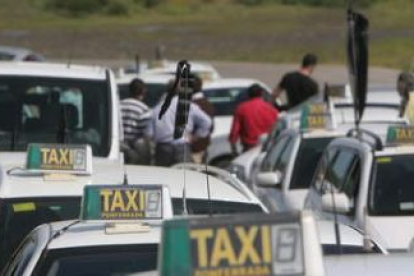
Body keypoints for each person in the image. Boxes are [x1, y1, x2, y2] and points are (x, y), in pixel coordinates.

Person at [148, 80, 212, 167]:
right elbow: (207, 121)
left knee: (163, 177)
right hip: (182, 146)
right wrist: (197, 136)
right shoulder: (187, 105)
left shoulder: (157, 109)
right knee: (183, 178)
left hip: (163, 148)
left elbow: (149, 133)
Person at [229, 84, 279, 155]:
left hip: (249, 148)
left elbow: (234, 132)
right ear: (261, 94)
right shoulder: (272, 109)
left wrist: (233, 149)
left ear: (248, 94)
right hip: (268, 148)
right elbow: (277, 129)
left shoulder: (241, 108)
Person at [120, 78, 151, 165]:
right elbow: (145, 132)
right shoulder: (144, 109)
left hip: (119, 146)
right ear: (143, 92)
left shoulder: (119, 105)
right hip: (134, 149)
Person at [190, 75, 215, 164]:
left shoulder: (192, 105)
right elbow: (211, 127)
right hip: (203, 146)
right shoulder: (207, 103)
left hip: (194, 149)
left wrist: (195, 137)